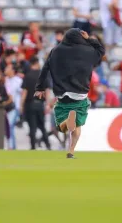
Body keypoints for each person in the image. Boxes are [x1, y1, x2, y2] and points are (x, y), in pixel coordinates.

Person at [35, 29, 105, 158]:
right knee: (77, 126)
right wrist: (89, 39)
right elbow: (101, 51)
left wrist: (40, 87)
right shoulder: (88, 51)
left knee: (62, 128)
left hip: (62, 95)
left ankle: (67, 122)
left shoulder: (56, 51)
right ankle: (71, 151)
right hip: (80, 94)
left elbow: (45, 69)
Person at [21, 57, 51, 151]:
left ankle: (33, 146)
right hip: (40, 104)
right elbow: (47, 91)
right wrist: (48, 104)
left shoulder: (27, 76)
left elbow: (24, 92)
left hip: (29, 104)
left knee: (32, 127)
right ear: (37, 63)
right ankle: (48, 145)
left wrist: (21, 105)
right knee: (42, 126)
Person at [4, 64, 22, 149]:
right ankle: (11, 146)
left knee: (10, 125)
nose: (6, 69)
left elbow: (23, 93)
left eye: (8, 68)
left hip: (15, 107)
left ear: (13, 71)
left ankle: (12, 147)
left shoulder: (18, 81)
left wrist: (21, 106)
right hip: (6, 107)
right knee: (8, 127)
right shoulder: (5, 80)